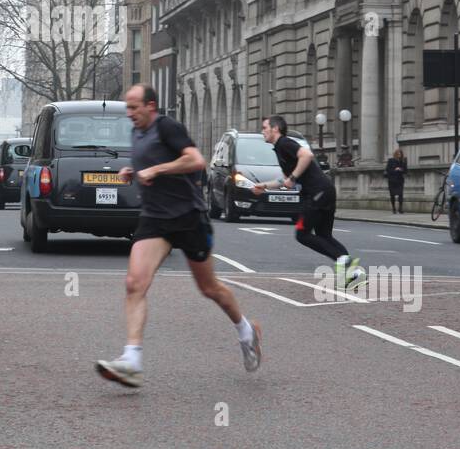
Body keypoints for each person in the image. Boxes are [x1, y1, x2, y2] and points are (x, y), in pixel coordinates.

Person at [95, 83, 262, 389]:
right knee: (134, 284)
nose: (129, 113)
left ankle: (246, 330)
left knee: (209, 288)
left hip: (188, 218)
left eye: (134, 107)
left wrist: (156, 170)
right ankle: (132, 360)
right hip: (154, 219)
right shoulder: (137, 131)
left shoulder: (168, 126)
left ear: (151, 106)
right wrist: (134, 169)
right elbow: (151, 160)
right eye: (127, 108)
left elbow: (195, 161)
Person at [253, 115, 365, 293]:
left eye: (265, 127)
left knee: (301, 233)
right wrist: (265, 186)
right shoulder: (279, 148)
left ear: (275, 129)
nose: (262, 131)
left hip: (317, 193)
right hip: (325, 191)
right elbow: (285, 178)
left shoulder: (284, 143)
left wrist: (293, 177)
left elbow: (307, 155)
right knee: (324, 235)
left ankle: (346, 263)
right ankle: (354, 274)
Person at [385, 148, 407, 214]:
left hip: (400, 180)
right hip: (392, 180)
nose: (399, 155)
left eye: (400, 154)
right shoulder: (391, 160)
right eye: (398, 154)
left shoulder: (403, 161)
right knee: (392, 195)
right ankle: (394, 208)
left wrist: (401, 169)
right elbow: (387, 170)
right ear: (395, 154)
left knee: (400, 194)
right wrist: (395, 169)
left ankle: (400, 208)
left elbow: (406, 171)